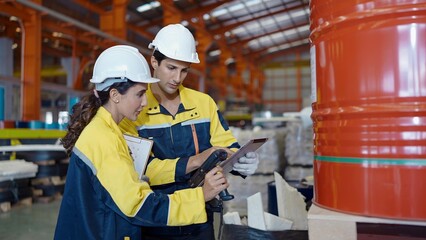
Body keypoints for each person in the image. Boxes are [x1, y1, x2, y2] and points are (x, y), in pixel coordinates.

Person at [54, 45, 230, 240]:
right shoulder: (102, 139)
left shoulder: (108, 131)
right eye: (139, 94)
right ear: (115, 95)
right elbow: (138, 205)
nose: (145, 102)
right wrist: (200, 197)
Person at [119, 24, 259, 240]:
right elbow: (141, 170)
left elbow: (226, 146)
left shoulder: (204, 103)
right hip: (156, 218)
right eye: (171, 68)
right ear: (154, 62)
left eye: (184, 70)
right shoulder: (135, 106)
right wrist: (196, 161)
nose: (178, 78)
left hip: (200, 218)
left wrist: (240, 160)